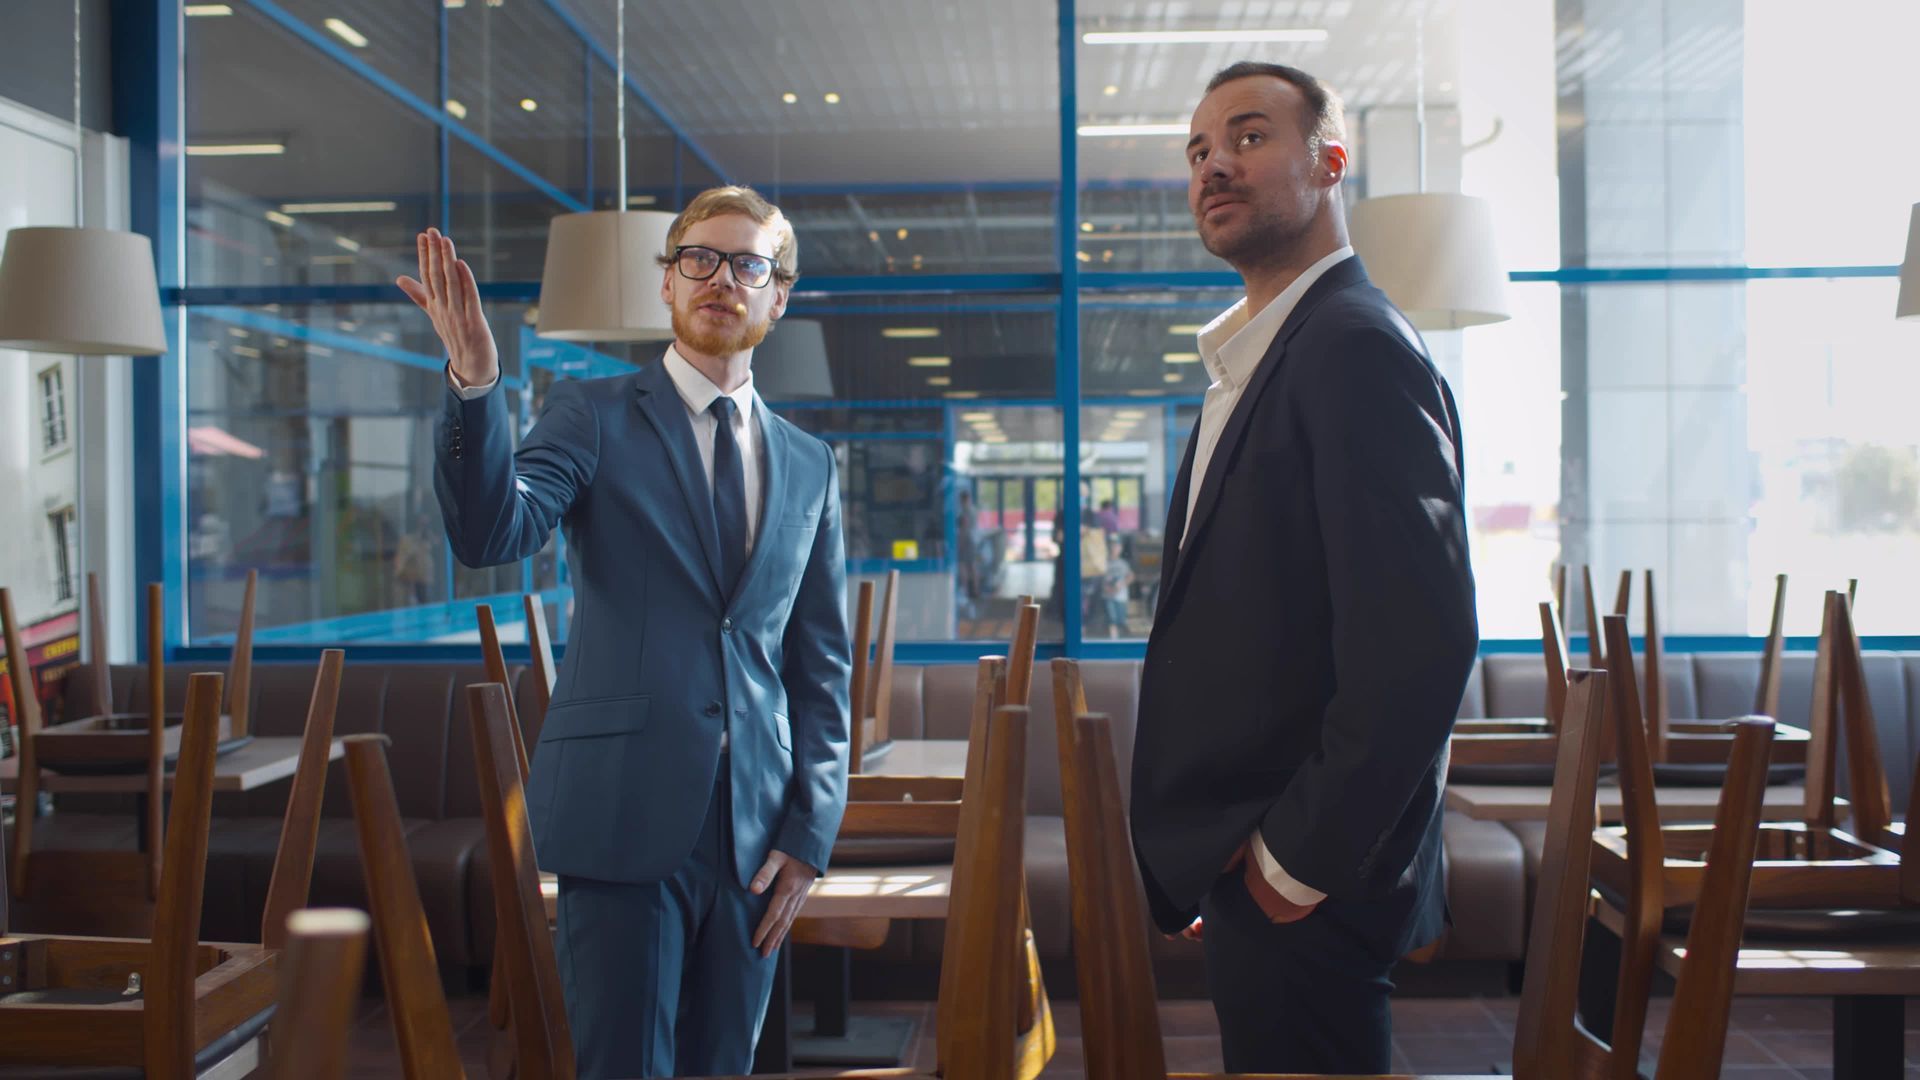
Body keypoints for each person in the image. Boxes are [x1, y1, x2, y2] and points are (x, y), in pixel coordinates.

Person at [399, 186, 851, 1078]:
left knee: (722, 1065)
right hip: (621, 812)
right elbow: (494, 534)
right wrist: (477, 384)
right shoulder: (592, 415)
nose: (723, 278)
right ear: (668, 286)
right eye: (700, 259)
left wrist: (810, 831)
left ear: (779, 295)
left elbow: (820, 663)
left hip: (757, 836)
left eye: (749, 264)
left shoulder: (810, 461)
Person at [1127, 62, 1478, 1073]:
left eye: (1246, 138)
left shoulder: (1352, 346)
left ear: (1330, 162)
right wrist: (1215, 852)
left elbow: (1421, 639)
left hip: (1307, 874)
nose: (1213, 166)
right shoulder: (1260, 356)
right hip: (1252, 856)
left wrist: (1292, 861)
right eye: (1198, 151)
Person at [1100, 536, 1132, 638]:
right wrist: (1106, 587)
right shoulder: (1104, 562)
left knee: (1121, 619)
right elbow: (1100, 578)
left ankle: (1120, 639)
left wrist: (1121, 585)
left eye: (1116, 546)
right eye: (1112, 546)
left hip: (1120, 596)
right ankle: (1113, 638)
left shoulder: (1123, 564)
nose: (1114, 548)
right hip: (1108, 595)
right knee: (1111, 618)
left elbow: (1130, 576)